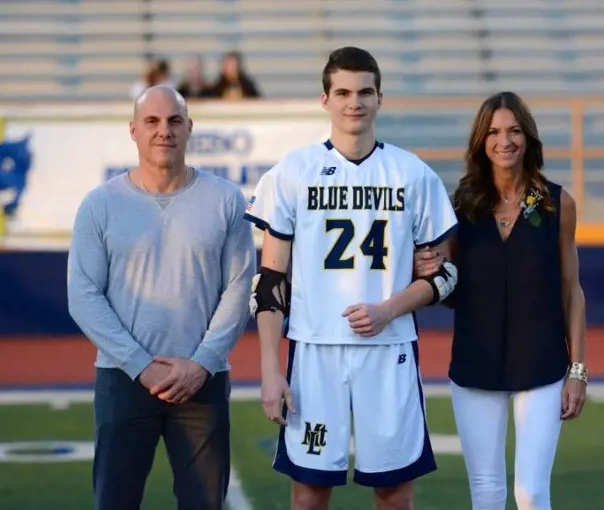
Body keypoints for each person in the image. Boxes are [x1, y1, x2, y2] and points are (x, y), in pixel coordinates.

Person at [243, 47, 459, 509]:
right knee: (308, 492)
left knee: (394, 491)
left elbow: (442, 277)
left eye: (364, 92)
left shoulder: (411, 174)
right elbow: (270, 281)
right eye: (342, 92)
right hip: (315, 350)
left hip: (390, 350)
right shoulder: (292, 173)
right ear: (325, 100)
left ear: (381, 98)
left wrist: (388, 310)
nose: (353, 102)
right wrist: (269, 369)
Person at [68, 85, 255, 510]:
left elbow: (240, 286)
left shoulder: (226, 199)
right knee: (115, 503)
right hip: (123, 379)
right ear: (133, 131)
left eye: (174, 121)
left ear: (190, 128)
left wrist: (202, 363)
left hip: (203, 382)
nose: (163, 131)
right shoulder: (101, 204)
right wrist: (139, 366)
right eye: (151, 121)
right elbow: (83, 295)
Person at [413, 91, 587, 510]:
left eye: (513, 130)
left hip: (542, 364)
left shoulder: (556, 203)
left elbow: (572, 290)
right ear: (480, 141)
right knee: (487, 494)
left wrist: (578, 370)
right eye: (493, 132)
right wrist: (430, 268)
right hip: (476, 363)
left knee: (530, 493)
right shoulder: (460, 205)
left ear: (528, 137)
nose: (503, 141)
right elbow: (449, 289)